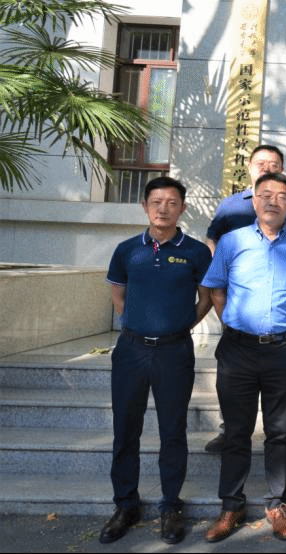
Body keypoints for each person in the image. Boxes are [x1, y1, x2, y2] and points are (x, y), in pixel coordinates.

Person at [201, 172, 286, 543]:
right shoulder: (232, 241)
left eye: (282, 196)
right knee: (236, 431)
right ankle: (231, 505)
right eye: (265, 194)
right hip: (238, 349)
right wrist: (234, 324)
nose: (272, 201)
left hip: (284, 349)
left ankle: (277, 503)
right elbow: (216, 288)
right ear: (254, 201)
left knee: (279, 432)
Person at [100, 177, 212, 545]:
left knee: (173, 430)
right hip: (131, 351)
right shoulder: (127, 250)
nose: (163, 208)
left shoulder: (196, 252)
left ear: (182, 207)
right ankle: (125, 504)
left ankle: (171, 506)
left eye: (172, 202)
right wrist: (139, 325)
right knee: (125, 429)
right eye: (156, 201)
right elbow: (118, 296)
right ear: (145, 206)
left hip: (174, 352)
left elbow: (206, 298)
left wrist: (180, 326)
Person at [203, 144, 286, 455]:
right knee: (235, 389)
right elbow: (213, 239)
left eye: (274, 164)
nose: (267, 168)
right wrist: (223, 275)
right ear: (249, 167)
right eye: (261, 163)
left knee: (278, 418)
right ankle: (229, 430)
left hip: (280, 315)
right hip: (239, 304)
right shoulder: (231, 205)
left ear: (282, 169)